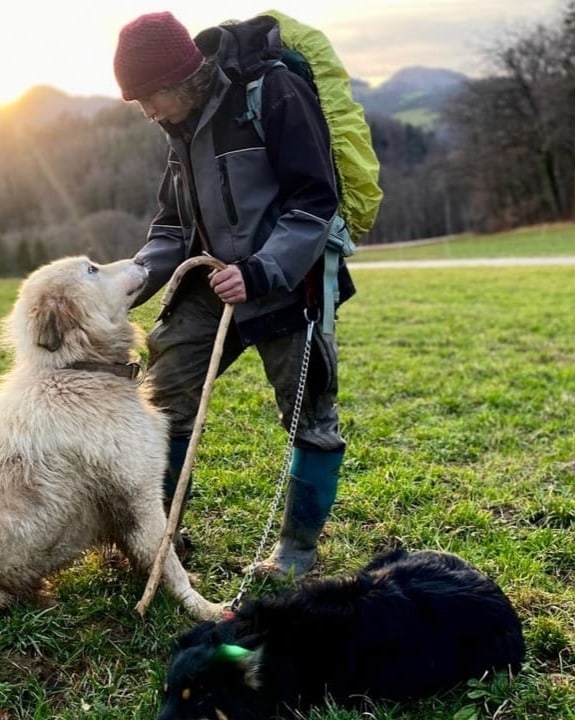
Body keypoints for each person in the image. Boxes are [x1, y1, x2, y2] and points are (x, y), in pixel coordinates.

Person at [113, 11, 353, 579]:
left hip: (287, 285)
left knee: (310, 416)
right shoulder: (180, 128)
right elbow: (172, 226)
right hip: (207, 287)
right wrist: (132, 282)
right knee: (161, 403)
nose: (147, 113)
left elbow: (314, 203)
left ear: (179, 79)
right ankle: (158, 540)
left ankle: (295, 553)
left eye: (148, 98)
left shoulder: (274, 93)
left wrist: (261, 271)